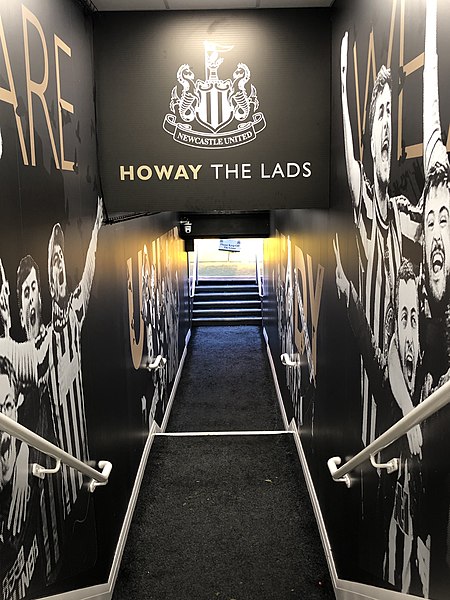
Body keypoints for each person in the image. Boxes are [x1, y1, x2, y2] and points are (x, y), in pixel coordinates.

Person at [16, 255, 63, 583]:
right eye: (25, 293)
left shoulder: (51, 340)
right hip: (29, 476)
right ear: (20, 310)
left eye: (35, 289)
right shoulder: (15, 368)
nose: (32, 298)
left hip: (55, 467)